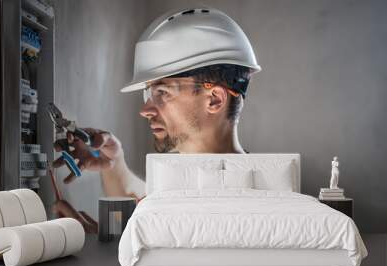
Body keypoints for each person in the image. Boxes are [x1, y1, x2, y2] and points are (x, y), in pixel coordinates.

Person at [52, 7, 261, 202]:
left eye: (162, 92)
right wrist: (113, 162)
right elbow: (146, 200)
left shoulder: (253, 204)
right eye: (148, 93)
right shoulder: (180, 186)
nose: (145, 111)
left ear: (214, 99)